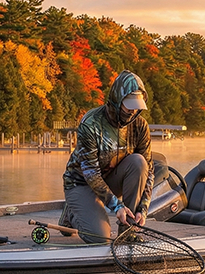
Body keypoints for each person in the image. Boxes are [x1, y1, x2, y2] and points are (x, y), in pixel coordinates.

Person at [63, 70, 154, 243]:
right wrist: (117, 206)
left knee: (139, 163)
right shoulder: (90, 124)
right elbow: (91, 174)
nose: (134, 111)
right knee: (100, 237)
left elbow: (149, 170)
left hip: (111, 180)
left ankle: (127, 229)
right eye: (129, 106)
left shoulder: (140, 126)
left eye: (138, 106)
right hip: (81, 183)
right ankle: (72, 214)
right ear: (117, 100)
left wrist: (143, 209)